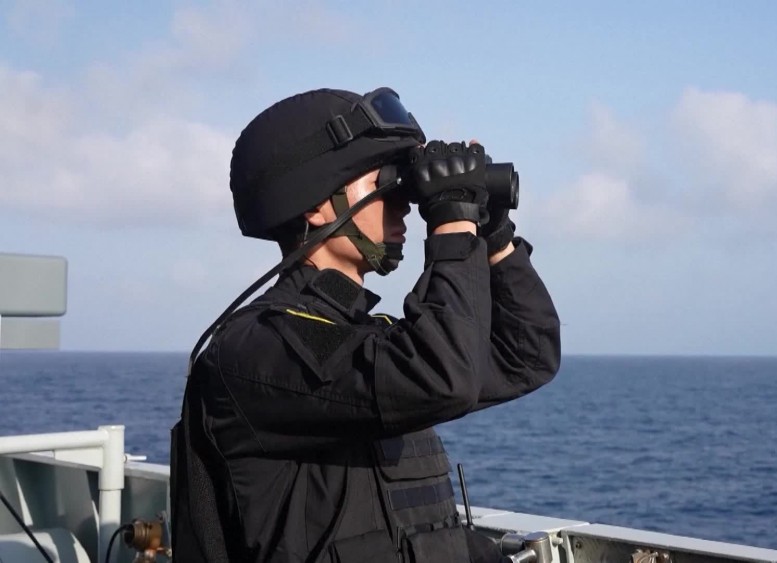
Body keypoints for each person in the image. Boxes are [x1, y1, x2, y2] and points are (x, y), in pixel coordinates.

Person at [170, 86, 561, 562]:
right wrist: (453, 223)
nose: (403, 206)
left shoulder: (366, 340)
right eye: (386, 186)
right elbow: (442, 378)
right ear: (316, 205)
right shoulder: (258, 349)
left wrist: (492, 234)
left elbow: (527, 355)